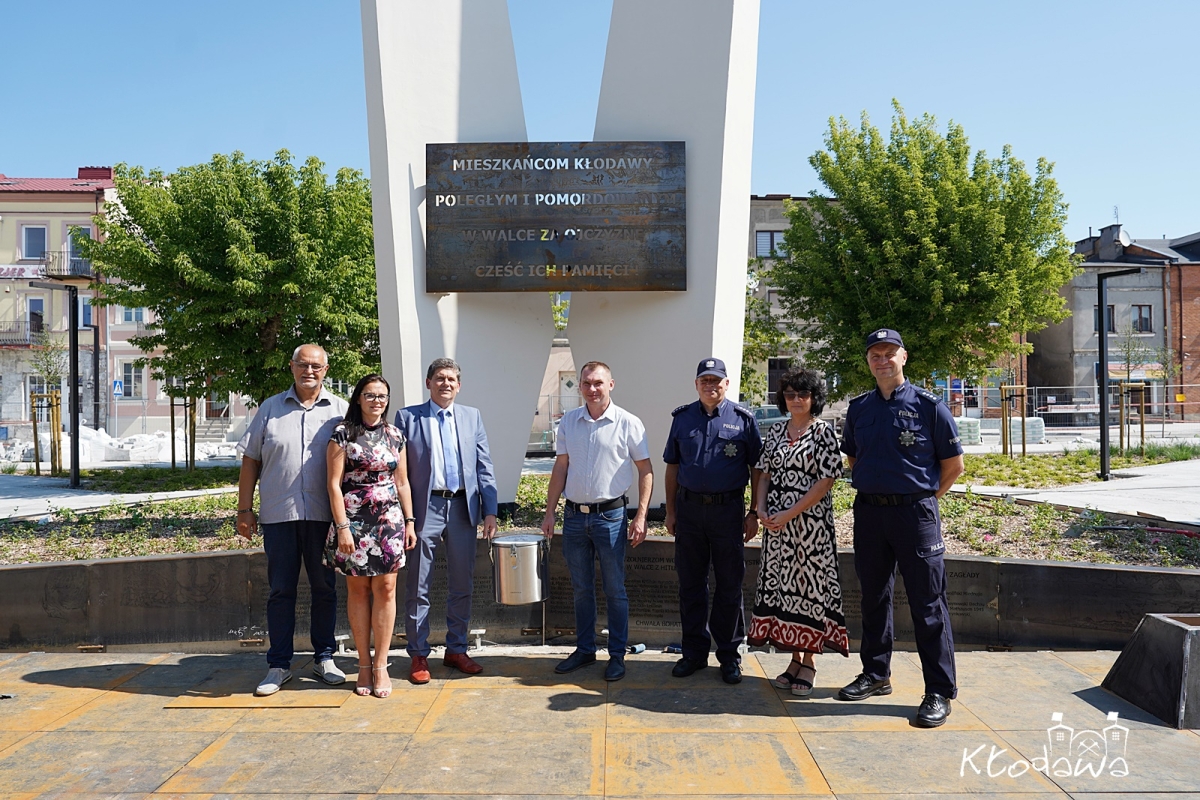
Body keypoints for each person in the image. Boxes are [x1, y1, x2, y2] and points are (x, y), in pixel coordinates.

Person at [837, 328, 965, 728]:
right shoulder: (858, 409)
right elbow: (854, 460)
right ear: (868, 362)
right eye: (875, 355)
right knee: (874, 596)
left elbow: (953, 467)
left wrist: (921, 499)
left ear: (903, 358)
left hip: (915, 515)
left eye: (889, 353)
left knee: (928, 604)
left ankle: (939, 691)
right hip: (871, 514)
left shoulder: (930, 406)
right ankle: (876, 674)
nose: (882, 360)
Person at [237, 343, 349, 696]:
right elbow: (251, 460)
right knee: (280, 590)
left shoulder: (341, 411)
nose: (309, 371)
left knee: (325, 589)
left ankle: (324, 657)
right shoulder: (270, 408)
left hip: (324, 517)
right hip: (279, 515)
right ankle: (279, 664)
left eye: (316, 366)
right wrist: (244, 510)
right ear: (292, 367)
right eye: (303, 365)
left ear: (326, 370)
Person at [540, 361, 653, 682]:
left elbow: (645, 470)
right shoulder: (570, 423)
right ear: (580, 386)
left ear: (611, 385)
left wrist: (641, 516)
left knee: (615, 590)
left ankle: (617, 655)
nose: (592, 389)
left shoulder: (628, 423)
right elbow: (561, 467)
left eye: (598, 383)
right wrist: (550, 512)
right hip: (575, 518)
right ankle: (585, 649)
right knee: (581, 589)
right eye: (586, 383)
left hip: (612, 518)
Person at [395, 358, 498, 685]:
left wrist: (490, 510)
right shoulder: (408, 417)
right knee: (418, 583)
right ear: (428, 383)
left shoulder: (472, 416)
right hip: (426, 508)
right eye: (439, 378)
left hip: (463, 508)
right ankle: (419, 654)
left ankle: (456, 649)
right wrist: (406, 516)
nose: (446, 384)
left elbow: (484, 466)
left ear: (459, 384)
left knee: (462, 583)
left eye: (452, 379)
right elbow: (400, 472)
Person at [749, 368, 849, 697]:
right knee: (784, 591)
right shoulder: (776, 431)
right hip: (778, 529)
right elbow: (763, 474)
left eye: (802, 394)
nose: (796, 400)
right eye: (790, 394)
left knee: (808, 592)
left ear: (814, 398)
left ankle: (809, 661)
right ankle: (793, 658)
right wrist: (761, 510)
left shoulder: (823, 433)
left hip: (810, 528)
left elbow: (825, 482)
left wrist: (790, 513)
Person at [663, 358, 762, 684]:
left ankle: (729, 654)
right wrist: (671, 511)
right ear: (696, 385)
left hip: (727, 512)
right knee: (691, 583)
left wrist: (752, 512)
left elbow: (757, 469)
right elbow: (672, 467)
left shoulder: (743, 420)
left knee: (730, 585)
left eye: (716, 380)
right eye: (704, 380)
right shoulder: (682, 419)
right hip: (690, 512)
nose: (710, 385)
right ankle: (693, 652)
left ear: (726, 384)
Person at [326, 374, 415, 699]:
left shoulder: (395, 436)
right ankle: (363, 664)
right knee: (359, 590)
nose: (376, 401)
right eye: (370, 395)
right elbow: (334, 484)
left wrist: (409, 521)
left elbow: (402, 482)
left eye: (382, 396)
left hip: (389, 520)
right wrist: (342, 527)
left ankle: (381, 665)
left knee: (387, 588)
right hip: (354, 521)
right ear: (358, 398)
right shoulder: (343, 434)